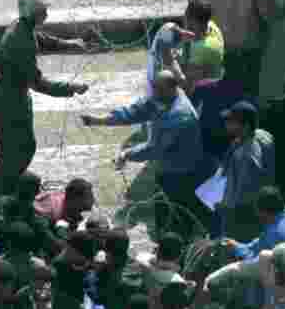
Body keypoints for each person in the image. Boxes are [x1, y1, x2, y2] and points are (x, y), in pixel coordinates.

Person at [0, 0, 88, 204]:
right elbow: (38, 83)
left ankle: (4, 191)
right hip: (10, 103)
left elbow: (39, 38)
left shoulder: (21, 27)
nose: (47, 14)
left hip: (11, 97)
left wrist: (68, 44)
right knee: (15, 152)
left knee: (20, 149)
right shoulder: (21, 41)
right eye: (43, 11)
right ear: (34, 14)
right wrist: (70, 88)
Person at [81, 71, 210, 237]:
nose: (155, 93)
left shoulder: (180, 116)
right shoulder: (160, 98)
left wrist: (126, 154)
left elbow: (154, 149)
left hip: (183, 173)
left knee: (178, 218)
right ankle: (168, 244)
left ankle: (177, 250)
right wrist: (99, 120)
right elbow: (134, 112)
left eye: (159, 90)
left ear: (173, 89)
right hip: (167, 168)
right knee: (164, 212)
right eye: (154, 89)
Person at [198, 0, 277, 97]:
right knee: (247, 96)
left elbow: (200, 13)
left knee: (219, 96)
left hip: (216, 49)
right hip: (248, 50)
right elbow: (268, 15)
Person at [219, 102, 276, 241]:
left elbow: (244, 189)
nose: (227, 125)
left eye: (232, 122)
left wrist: (228, 209)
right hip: (257, 208)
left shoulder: (247, 154)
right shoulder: (261, 136)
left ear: (245, 126)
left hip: (242, 213)